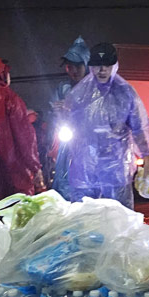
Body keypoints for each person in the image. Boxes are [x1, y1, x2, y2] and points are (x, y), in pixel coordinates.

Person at [63, 42, 149, 209]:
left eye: (107, 65)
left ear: (115, 66)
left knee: (119, 216)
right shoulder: (80, 93)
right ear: (91, 67)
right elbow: (70, 125)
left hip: (116, 165)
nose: (102, 70)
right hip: (86, 165)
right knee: (84, 214)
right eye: (97, 66)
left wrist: (147, 159)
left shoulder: (125, 92)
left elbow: (139, 126)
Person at [0, 57, 43, 203]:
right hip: (13, 167)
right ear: (2, 75)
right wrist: (35, 166)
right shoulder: (10, 98)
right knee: (18, 210)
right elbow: (25, 136)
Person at [47, 36, 90, 199]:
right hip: (67, 143)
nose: (73, 70)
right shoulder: (63, 88)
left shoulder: (93, 88)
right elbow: (52, 117)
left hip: (88, 146)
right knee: (63, 181)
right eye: (69, 66)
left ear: (86, 65)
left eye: (77, 66)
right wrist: (57, 112)